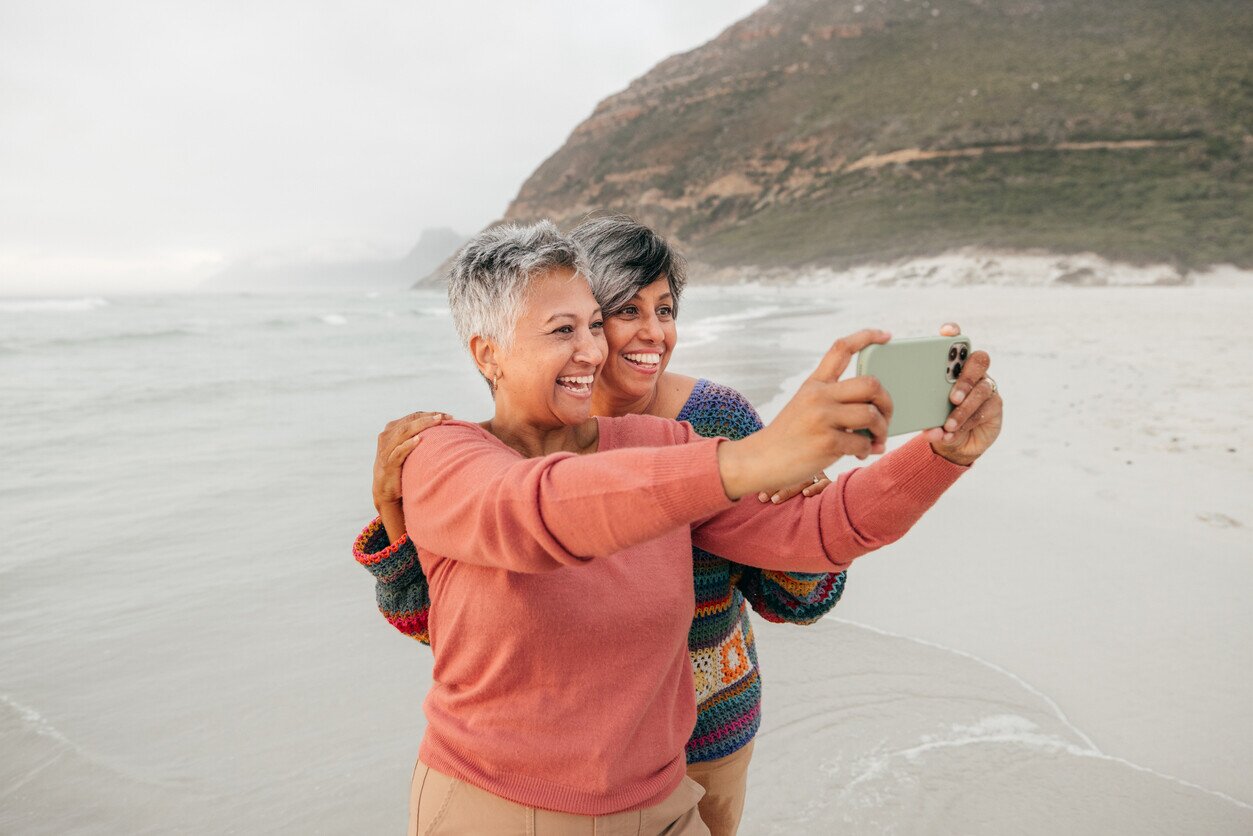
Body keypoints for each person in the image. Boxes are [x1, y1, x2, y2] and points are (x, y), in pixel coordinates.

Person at [354, 216, 998, 834]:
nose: (592, 349)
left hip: (666, 801)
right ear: (488, 354)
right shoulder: (438, 455)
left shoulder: (669, 440)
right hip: (504, 808)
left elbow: (818, 530)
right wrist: (753, 458)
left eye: (591, 326)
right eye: (563, 330)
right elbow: (540, 511)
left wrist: (940, 456)